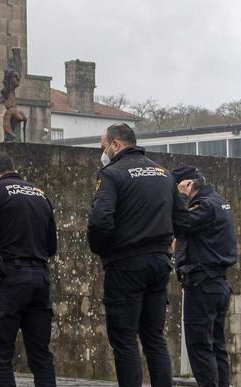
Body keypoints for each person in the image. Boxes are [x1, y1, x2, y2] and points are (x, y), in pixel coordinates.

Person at [87, 123, 190, 387]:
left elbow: (99, 222)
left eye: (103, 147)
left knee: (124, 338)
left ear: (116, 144)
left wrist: (103, 249)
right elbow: (183, 219)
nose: (103, 152)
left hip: (125, 263)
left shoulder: (112, 174)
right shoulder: (164, 174)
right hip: (159, 263)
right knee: (154, 337)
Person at [0, 150, 58, 387]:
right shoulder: (40, 194)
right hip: (40, 278)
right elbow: (51, 246)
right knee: (41, 356)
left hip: (9, 278)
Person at [172, 166, 237, 387]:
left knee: (200, 347)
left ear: (188, 185)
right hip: (217, 284)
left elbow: (181, 222)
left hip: (202, 284)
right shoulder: (218, 200)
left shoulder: (204, 205)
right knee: (217, 345)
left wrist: (180, 196)